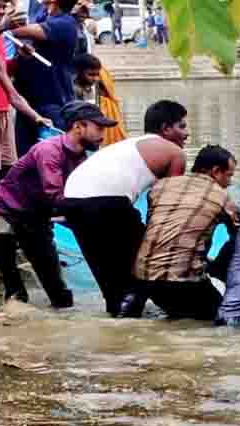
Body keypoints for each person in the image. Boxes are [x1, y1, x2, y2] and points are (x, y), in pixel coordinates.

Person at [62, 100, 187, 317]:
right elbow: (169, 205)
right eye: (182, 126)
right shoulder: (175, 153)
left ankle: (119, 315)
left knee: (110, 279)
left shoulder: (128, 145)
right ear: (166, 128)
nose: (186, 134)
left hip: (72, 201)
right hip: (107, 201)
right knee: (149, 261)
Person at [0, 101, 115, 307]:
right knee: (3, 235)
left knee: (60, 297)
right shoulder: (49, 151)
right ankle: (14, 292)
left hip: (36, 219)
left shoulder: (81, 159)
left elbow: (81, 196)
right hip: (3, 211)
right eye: (99, 128)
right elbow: (55, 196)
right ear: (78, 126)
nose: (103, 135)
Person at [126, 145, 240, 320]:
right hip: (184, 281)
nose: (230, 182)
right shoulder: (223, 198)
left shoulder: (161, 186)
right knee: (224, 318)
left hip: (142, 277)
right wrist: (219, 268)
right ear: (215, 171)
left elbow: (156, 227)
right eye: (229, 176)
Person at [0, 0, 53, 181]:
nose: (1, 11)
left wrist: (18, 59)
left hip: (3, 110)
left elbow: (3, 74)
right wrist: (2, 27)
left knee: (8, 170)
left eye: (3, 7)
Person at [9, 0, 79, 158]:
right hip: (28, 102)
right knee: (26, 157)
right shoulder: (43, 16)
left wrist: (1, 22)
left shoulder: (65, 23)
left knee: (54, 156)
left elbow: (16, 31)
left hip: (52, 101)